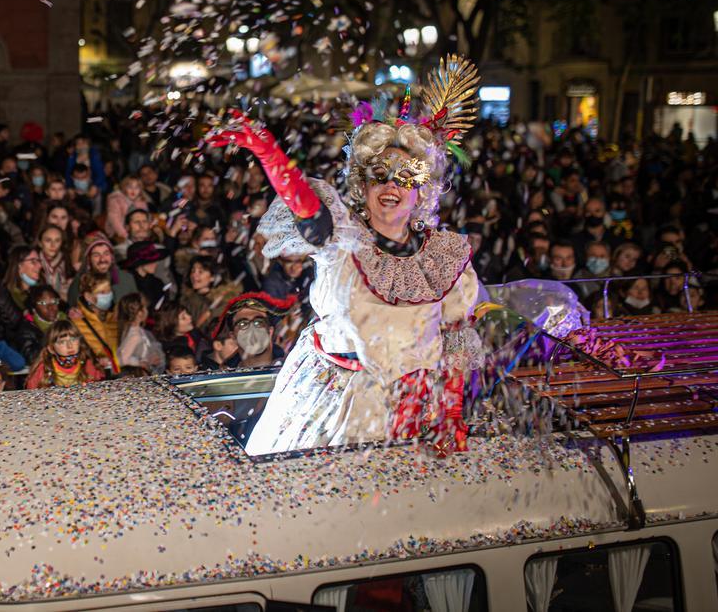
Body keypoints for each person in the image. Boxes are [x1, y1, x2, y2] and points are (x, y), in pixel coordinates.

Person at [212, 56, 484, 456]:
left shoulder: (446, 256)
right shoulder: (342, 238)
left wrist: (451, 409)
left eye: (407, 177)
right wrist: (269, 154)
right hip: (337, 405)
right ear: (363, 181)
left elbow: (456, 336)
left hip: (415, 412)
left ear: (422, 191)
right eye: (379, 174)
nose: (392, 186)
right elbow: (306, 207)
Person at [209, 293, 292, 368]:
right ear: (233, 336)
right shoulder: (223, 379)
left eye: (258, 322)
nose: (252, 329)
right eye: (243, 324)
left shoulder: (292, 369)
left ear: (270, 331)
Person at [25, 321, 105, 389]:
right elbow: (32, 393)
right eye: (62, 342)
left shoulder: (87, 364)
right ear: (51, 348)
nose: (70, 346)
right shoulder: (45, 368)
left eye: (73, 339)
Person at [71, 271, 121, 373]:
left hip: (117, 375)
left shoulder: (115, 316)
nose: (107, 295)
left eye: (109, 291)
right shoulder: (76, 321)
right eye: (102, 292)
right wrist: (95, 361)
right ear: (88, 296)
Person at [116, 293, 165, 373]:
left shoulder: (137, 331)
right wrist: (140, 363)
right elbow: (122, 359)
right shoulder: (135, 335)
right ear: (139, 313)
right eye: (145, 307)